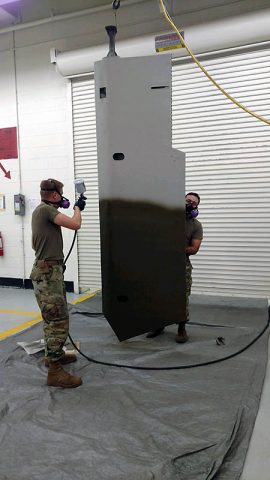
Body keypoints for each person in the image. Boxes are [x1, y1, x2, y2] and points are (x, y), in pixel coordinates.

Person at [30, 178, 86, 388]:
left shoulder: (42, 211)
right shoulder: (46, 211)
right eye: (61, 195)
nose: (62, 198)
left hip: (50, 272)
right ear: (54, 196)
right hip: (48, 275)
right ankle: (54, 371)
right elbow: (75, 224)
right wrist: (78, 208)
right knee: (57, 321)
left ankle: (55, 354)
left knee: (53, 317)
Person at [146, 192, 203, 342]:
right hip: (162, 263)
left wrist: (175, 248)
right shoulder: (167, 218)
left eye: (194, 203)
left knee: (181, 297)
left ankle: (181, 328)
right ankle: (158, 324)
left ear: (196, 207)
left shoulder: (196, 225)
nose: (190, 203)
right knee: (158, 295)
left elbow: (194, 248)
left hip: (181, 265)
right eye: (187, 200)